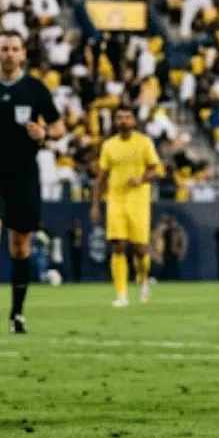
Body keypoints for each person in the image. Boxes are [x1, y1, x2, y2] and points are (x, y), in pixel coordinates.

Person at [0, 31, 63, 335]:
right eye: (4, 48)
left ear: (23, 54)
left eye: (14, 49)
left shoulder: (35, 89)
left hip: (24, 176)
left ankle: (17, 313)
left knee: (20, 247)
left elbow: (58, 126)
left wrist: (45, 134)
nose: (9, 54)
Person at [93, 108, 164, 307]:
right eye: (120, 117)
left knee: (140, 249)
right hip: (115, 200)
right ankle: (121, 294)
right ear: (115, 121)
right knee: (118, 245)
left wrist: (141, 179)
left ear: (133, 120)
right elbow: (101, 177)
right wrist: (95, 205)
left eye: (127, 117)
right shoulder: (109, 146)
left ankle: (143, 280)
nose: (123, 121)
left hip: (138, 201)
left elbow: (156, 169)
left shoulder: (144, 142)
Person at [68, 219, 86, 284]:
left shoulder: (81, 231)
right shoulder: (71, 232)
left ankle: (79, 278)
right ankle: (75, 278)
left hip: (79, 250)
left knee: (79, 265)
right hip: (74, 250)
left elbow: (81, 239)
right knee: (74, 264)